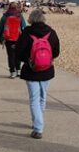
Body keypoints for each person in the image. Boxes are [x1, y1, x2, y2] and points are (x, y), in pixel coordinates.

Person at [16, 9, 60, 139]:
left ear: (31, 19)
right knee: (42, 97)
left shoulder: (26, 33)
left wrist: (28, 60)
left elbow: (19, 53)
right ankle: (37, 121)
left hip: (31, 70)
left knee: (34, 99)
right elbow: (56, 52)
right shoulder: (51, 33)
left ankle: (38, 127)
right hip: (47, 70)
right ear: (43, 19)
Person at [0, 2, 28, 78]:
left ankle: (12, 71)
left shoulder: (5, 16)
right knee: (18, 55)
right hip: (18, 39)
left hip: (8, 39)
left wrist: (0, 39)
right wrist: (24, 38)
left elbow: (0, 29)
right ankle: (18, 70)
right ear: (16, 7)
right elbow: (24, 27)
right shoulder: (19, 16)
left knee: (11, 55)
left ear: (9, 7)